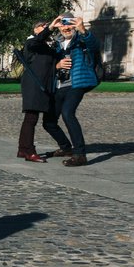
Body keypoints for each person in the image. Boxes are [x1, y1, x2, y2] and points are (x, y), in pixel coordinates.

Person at [17, 19, 72, 162]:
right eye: (42, 26)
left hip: (43, 85)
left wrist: (57, 65)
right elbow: (37, 44)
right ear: (35, 30)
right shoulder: (32, 43)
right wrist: (51, 27)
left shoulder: (47, 46)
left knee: (30, 118)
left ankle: (23, 149)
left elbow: (45, 67)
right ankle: (29, 151)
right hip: (34, 85)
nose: (46, 28)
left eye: (46, 26)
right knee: (31, 118)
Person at [52, 15, 100, 167]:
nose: (66, 28)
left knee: (67, 113)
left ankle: (80, 154)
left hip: (77, 83)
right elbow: (47, 62)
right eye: (63, 25)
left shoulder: (81, 40)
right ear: (59, 27)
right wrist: (57, 65)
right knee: (49, 120)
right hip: (60, 85)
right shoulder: (56, 44)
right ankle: (66, 148)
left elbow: (94, 46)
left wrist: (83, 30)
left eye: (70, 25)